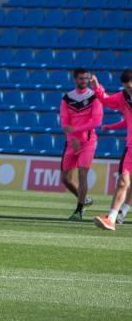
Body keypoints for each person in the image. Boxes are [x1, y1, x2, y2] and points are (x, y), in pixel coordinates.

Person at [91, 71, 132, 231]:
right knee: (123, 181)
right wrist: (97, 88)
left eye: (130, 87)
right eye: (126, 88)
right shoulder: (124, 97)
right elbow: (106, 100)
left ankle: (123, 211)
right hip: (130, 148)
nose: (128, 90)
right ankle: (112, 218)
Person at [60, 68, 102, 221]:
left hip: (88, 142)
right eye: (81, 79)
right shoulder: (67, 98)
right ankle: (84, 199)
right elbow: (64, 122)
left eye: (86, 79)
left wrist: (77, 131)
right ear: (75, 80)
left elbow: (96, 121)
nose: (84, 81)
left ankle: (78, 210)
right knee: (65, 179)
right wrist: (72, 138)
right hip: (71, 142)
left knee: (82, 174)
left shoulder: (94, 97)